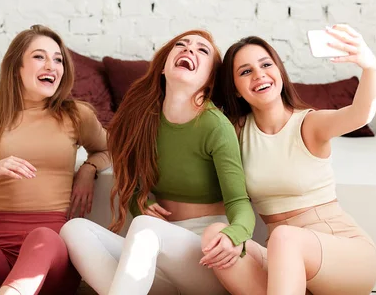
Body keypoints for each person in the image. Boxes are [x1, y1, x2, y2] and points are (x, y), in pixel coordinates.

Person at [60, 29, 255, 295]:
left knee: (145, 228)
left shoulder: (215, 126)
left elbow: (239, 203)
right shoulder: (145, 119)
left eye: (202, 50)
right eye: (182, 45)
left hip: (204, 257)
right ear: (163, 67)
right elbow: (132, 183)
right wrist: (142, 203)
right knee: (74, 230)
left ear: (210, 79)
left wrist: (235, 236)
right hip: (153, 253)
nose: (189, 50)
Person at [204, 26, 376, 295]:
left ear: (279, 73)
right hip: (284, 263)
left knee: (285, 238)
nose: (259, 74)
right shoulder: (236, 132)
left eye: (266, 64)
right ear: (236, 89)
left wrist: (370, 67)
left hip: (344, 255)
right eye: (245, 71)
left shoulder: (308, 123)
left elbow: (360, 114)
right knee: (216, 235)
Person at [0, 25, 110, 295]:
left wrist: (89, 168)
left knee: (43, 237)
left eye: (58, 59)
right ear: (17, 68)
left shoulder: (76, 115)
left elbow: (111, 149)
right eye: (40, 57)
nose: (51, 65)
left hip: (51, 263)